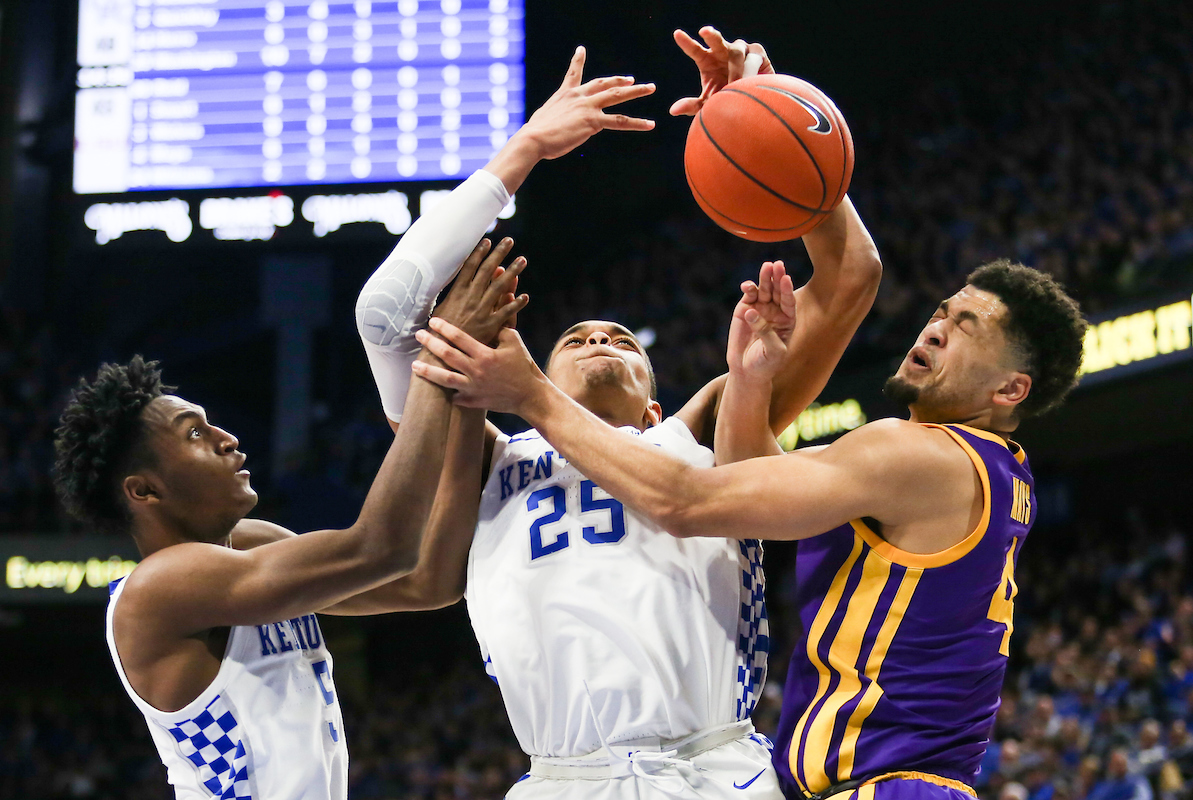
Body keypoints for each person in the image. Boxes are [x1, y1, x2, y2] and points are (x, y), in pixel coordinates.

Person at [354, 30, 882, 799]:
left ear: (655, 402)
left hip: (715, 771)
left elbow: (850, 276)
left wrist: (772, 113)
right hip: (563, 780)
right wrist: (524, 150)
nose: (600, 336)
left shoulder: (698, 432)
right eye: (577, 336)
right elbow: (383, 316)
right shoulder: (480, 456)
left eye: (622, 339)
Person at [413, 259, 1087, 800]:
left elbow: (688, 501)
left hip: (873, 781)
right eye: (943, 311)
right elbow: (753, 480)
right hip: (848, 781)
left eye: (965, 327)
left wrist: (530, 393)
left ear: (1009, 391)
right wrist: (751, 378)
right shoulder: (954, 463)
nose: (936, 327)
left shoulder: (920, 455)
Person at [51, 242, 525, 800]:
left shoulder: (251, 546)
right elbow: (381, 547)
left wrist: (464, 404)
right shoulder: (159, 588)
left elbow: (428, 582)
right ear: (144, 490)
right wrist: (435, 369)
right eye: (195, 435)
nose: (228, 439)